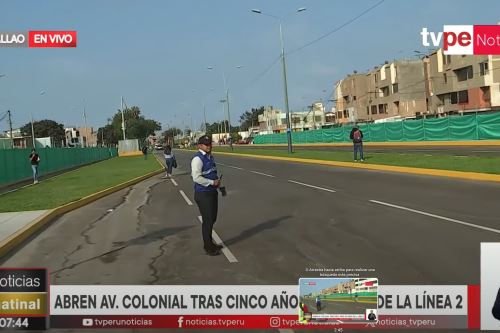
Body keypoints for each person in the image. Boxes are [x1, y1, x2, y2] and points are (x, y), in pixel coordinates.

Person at [191, 135, 223, 256]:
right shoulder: (197, 159)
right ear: (199, 145)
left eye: (209, 143)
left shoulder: (210, 157)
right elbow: (196, 177)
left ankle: (210, 243)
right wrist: (211, 182)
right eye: (205, 144)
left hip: (212, 192)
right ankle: (208, 247)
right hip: (203, 194)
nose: (208, 146)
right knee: (208, 221)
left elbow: (212, 173)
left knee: (212, 219)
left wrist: (218, 184)